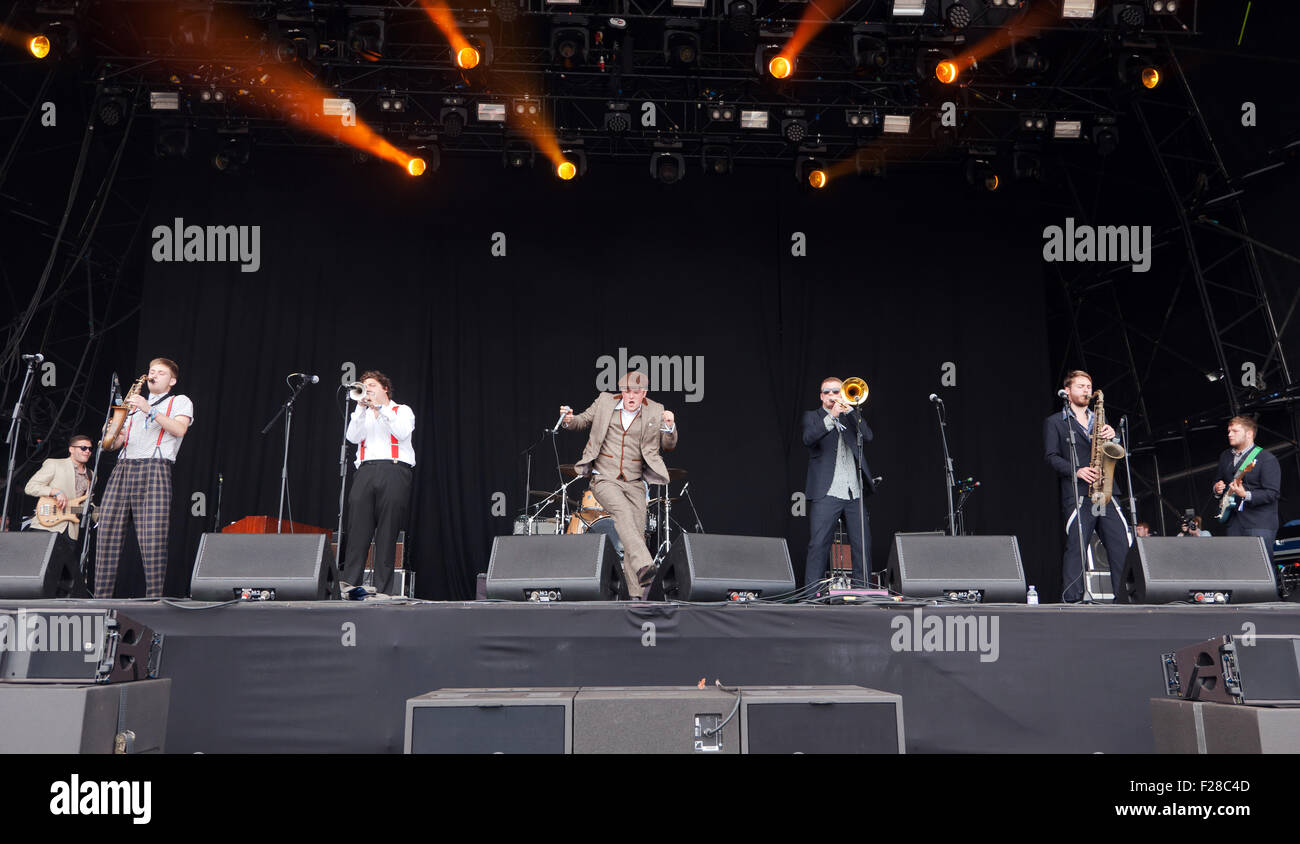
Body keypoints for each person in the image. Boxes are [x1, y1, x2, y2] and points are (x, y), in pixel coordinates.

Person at [560, 371, 677, 600]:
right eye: (626, 391)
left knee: (636, 533)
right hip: (604, 477)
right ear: (620, 390)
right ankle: (646, 563)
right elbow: (581, 421)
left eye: (635, 392)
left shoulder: (655, 409)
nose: (630, 397)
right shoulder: (605, 401)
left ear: (644, 393)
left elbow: (668, 445)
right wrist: (569, 420)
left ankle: (635, 597)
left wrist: (670, 427)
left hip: (634, 481)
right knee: (621, 511)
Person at [98, 358, 193, 597]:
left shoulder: (178, 401)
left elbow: (179, 429)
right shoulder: (133, 405)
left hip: (155, 467)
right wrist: (112, 430)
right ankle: (100, 602)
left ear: (172, 380)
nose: (153, 375)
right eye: (152, 371)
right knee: (107, 534)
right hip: (123, 467)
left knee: (153, 539)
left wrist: (148, 409)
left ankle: (153, 601)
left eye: (160, 373)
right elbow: (115, 444)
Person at [1044, 370, 1131, 602]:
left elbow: (1112, 451)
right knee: (1077, 548)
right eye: (1081, 386)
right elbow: (1051, 456)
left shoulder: (1099, 420)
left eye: (1088, 386)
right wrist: (1077, 471)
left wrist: (1114, 437)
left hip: (1106, 492)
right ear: (1068, 391)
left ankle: (1125, 598)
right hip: (1079, 494)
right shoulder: (1055, 422)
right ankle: (1072, 599)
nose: (1086, 390)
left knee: (1120, 543)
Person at [342, 370, 414, 595]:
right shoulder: (362, 411)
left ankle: (382, 589)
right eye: (364, 385)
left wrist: (380, 409)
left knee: (387, 531)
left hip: (394, 470)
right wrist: (361, 409)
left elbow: (402, 433)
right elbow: (352, 437)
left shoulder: (401, 410)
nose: (367, 388)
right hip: (365, 471)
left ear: (385, 389)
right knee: (357, 531)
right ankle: (349, 585)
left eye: (372, 385)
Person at [803, 377, 874, 588]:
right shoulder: (812, 416)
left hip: (854, 492)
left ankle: (863, 591)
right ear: (822, 396)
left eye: (837, 391)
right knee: (818, 545)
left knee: (862, 545)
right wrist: (831, 417)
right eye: (828, 392)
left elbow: (868, 436)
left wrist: (851, 411)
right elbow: (808, 438)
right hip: (827, 491)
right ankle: (811, 594)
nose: (833, 395)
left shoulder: (851, 417)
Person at [23, 433, 94, 596]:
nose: (87, 451)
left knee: (63, 575)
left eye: (89, 449)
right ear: (71, 449)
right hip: (46, 524)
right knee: (40, 571)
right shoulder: (55, 464)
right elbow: (31, 487)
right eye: (83, 447)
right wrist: (54, 491)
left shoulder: (91, 475)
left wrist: (101, 514)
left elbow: (85, 505)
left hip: (70, 529)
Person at [1213, 415, 1280, 561]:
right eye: (1229, 431)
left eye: (1235, 431)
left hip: (1260, 523)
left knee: (1262, 568)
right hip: (1234, 522)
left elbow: (1272, 493)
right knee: (1239, 567)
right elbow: (1219, 480)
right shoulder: (1225, 456)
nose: (1229, 434)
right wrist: (1217, 489)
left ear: (1249, 433)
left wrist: (1246, 494)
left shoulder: (1266, 458)